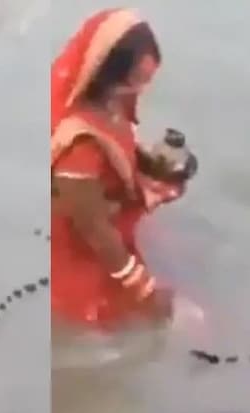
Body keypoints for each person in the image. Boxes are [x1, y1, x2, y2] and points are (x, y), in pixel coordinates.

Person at [50, 8, 198, 331]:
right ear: (110, 72)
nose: (142, 89)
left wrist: (154, 168)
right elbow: (95, 231)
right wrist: (147, 293)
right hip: (84, 256)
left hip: (108, 230)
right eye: (137, 80)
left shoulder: (111, 104)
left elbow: (117, 150)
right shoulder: (78, 146)